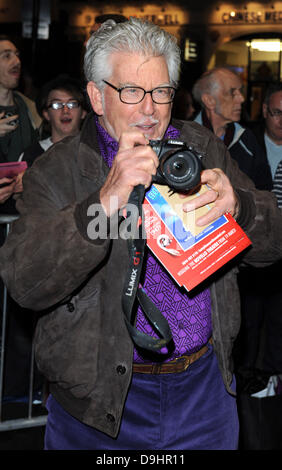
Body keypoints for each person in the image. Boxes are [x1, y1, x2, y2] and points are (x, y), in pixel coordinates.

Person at [0, 18, 282, 451]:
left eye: (162, 91)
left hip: (204, 392)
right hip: (98, 405)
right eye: (131, 91)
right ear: (96, 96)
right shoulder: (57, 171)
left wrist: (241, 210)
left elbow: (273, 243)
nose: (150, 109)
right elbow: (25, 282)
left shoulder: (202, 148)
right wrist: (104, 202)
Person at [192, 67, 272, 191]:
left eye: (240, 92)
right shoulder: (182, 136)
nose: (242, 99)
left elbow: (264, 190)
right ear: (209, 100)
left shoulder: (247, 140)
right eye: (232, 93)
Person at [0, 35, 41, 214]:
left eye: (17, 55)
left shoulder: (32, 110)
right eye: (6, 56)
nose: (16, 61)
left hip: (24, 211)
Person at [21, 75, 88, 167]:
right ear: (46, 114)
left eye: (72, 104)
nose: (65, 110)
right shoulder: (31, 156)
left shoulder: (96, 150)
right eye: (57, 105)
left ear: (83, 112)